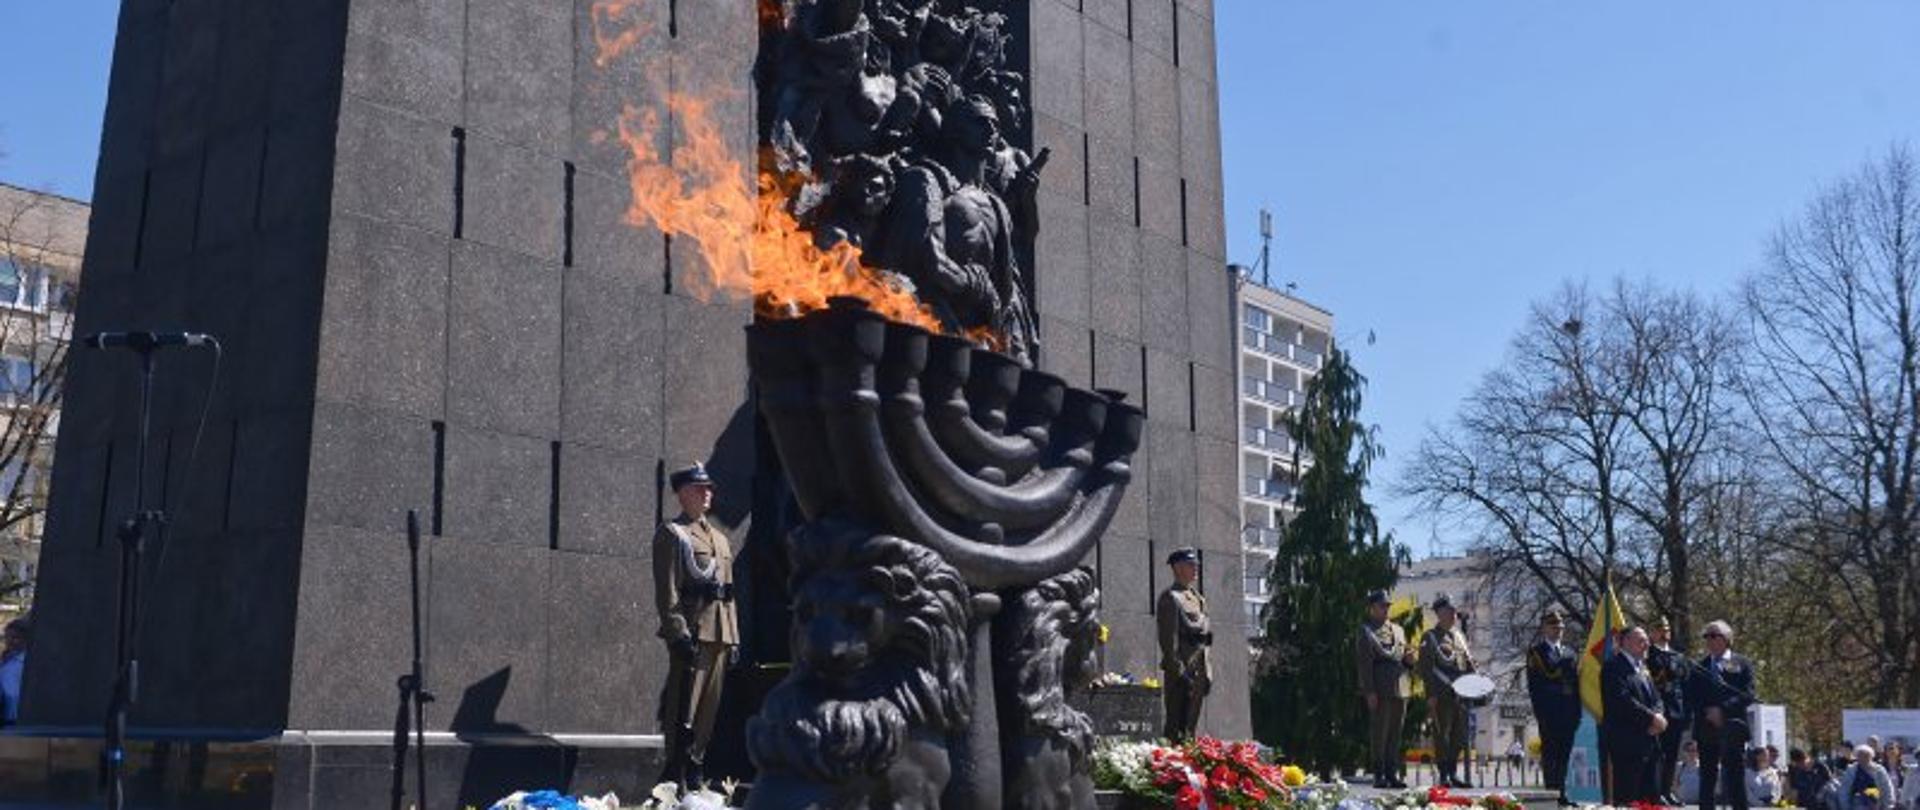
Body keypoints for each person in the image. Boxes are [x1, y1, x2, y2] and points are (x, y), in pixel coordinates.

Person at [652, 462, 738, 787]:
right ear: (683, 493)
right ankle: (674, 772)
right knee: (683, 707)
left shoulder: (720, 539)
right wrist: (677, 634)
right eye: (700, 489)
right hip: (693, 631)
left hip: (720, 632)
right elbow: (667, 590)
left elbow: (729, 593)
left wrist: (735, 637)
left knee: (708, 711)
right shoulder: (673, 534)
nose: (708, 494)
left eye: (710, 489)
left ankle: (697, 765)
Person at [1687, 619, 1758, 810]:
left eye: (1713, 635)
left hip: (1733, 727)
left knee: (1735, 775)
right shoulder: (1699, 667)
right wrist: (1708, 712)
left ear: (1726, 638)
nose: (1708, 640)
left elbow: (1748, 694)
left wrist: (1723, 710)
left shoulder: (1742, 663)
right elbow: (1691, 696)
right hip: (1706, 729)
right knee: (1707, 777)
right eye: (1706, 636)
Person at [1602, 626, 1668, 804]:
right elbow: (1622, 701)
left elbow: (1656, 697)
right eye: (1640, 640)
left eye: (1646, 640)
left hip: (1650, 742)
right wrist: (1651, 719)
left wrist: (1659, 716)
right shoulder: (1613, 667)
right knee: (1629, 798)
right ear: (1625, 642)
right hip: (1627, 743)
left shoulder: (1643, 668)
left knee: (1651, 798)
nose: (1646, 644)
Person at [1356, 589, 1414, 787]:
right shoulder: (1366, 630)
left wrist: (1409, 661)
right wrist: (1369, 691)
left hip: (1401, 687)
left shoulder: (1398, 630)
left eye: (1387, 605)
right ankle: (1379, 774)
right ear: (1372, 609)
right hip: (1380, 687)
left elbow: (1404, 659)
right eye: (1382, 606)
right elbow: (1364, 664)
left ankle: (1392, 774)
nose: (1386, 609)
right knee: (1380, 732)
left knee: (1395, 733)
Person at [1419, 593, 1478, 789]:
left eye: (1454, 611)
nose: (1454, 614)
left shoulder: (1459, 637)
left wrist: (1476, 679)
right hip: (1441, 694)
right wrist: (1431, 695)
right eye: (1450, 611)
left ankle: (1453, 773)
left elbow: (1467, 664)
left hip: (1460, 695)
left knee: (1459, 736)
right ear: (1439, 613)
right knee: (1441, 736)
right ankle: (1443, 774)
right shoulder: (1430, 637)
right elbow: (1426, 669)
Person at [1526, 608, 1582, 802]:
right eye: (1553, 626)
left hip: (1568, 713)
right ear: (1544, 629)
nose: (1558, 629)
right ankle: (1551, 794)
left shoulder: (1570, 653)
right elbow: (1535, 687)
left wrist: (1577, 713)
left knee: (1565, 754)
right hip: (1549, 713)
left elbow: (1576, 685)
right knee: (1551, 755)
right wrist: (1540, 714)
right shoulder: (1537, 653)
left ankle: (1563, 793)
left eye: (1560, 626)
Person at [1157, 547, 1212, 742]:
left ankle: (1187, 765)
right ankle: (1170, 767)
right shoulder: (1170, 597)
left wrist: (1207, 670)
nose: (1196, 568)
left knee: (1190, 727)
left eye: (1196, 564)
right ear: (1178, 568)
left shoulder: (1199, 599)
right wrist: (1178, 672)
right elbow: (1168, 640)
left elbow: (1205, 639)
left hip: (1199, 670)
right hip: (1181, 673)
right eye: (1191, 565)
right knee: (1175, 726)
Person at [1647, 617, 1691, 805]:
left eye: (1666, 629)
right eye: (1659, 629)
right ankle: (1656, 793)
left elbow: (1685, 684)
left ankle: (1667, 791)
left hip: (1676, 710)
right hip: (1659, 710)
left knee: (1672, 755)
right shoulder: (1649, 655)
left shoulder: (1678, 656)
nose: (1664, 633)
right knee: (1658, 754)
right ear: (1652, 633)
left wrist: (1687, 712)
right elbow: (1654, 680)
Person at [1839, 744, 1897, 810]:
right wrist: (1845, 807)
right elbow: (1845, 789)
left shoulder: (1879, 770)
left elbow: (1887, 787)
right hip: (1857, 804)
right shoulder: (1852, 770)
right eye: (1860, 755)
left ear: (1871, 756)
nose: (1863, 758)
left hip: (1876, 804)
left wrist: (1888, 805)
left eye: (1866, 756)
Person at [0, 615, 27, 726]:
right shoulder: (5, 661)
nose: (10, 641)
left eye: (15, 638)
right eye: (7, 637)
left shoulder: (26, 663)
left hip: (18, 720)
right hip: (4, 719)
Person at [1679, 740, 1704, 806]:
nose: (1691, 753)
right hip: (1683, 804)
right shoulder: (1679, 767)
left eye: (1694, 750)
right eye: (1688, 750)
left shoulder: (1703, 767)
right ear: (1684, 752)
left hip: (1698, 804)